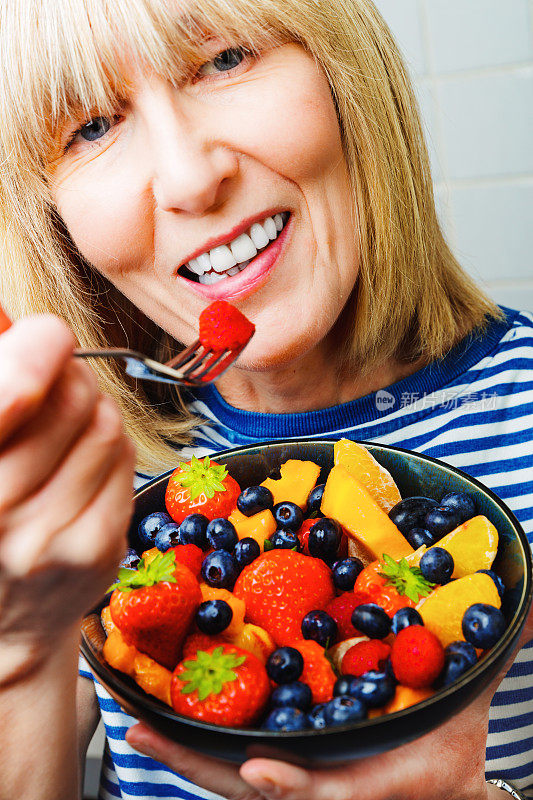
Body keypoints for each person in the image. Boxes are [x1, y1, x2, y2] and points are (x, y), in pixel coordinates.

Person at [0, 0, 531, 798]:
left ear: (345, 74)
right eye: (93, 126)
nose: (188, 177)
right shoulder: (83, 474)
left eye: (224, 59)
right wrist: (23, 645)